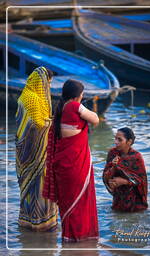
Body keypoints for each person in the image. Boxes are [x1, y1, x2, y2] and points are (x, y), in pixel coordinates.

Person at [43, 79, 99, 242]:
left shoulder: (60, 108)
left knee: (68, 203)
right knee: (79, 203)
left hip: (63, 164)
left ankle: (69, 238)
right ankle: (79, 238)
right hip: (75, 165)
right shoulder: (74, 106)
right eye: (82, 95)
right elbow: (95, 119)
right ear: (77, 96)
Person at [15, 66, 58, 231]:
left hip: (23, 152)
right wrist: (54, 122)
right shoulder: (33, 99)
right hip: (36, 152)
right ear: (43, 81)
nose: (48, 87)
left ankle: (27, 221)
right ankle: (41, 222)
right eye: (48, 83)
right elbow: (38, 124)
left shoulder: (23, 96)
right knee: (39, 186)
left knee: (28, 186)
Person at [103, 127, 148, 212]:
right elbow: (105, 177)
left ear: (129, 142)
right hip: (118, 202)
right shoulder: (112, 153)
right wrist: (113, 166)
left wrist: (124, 181)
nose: (115, 142)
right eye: (115, 138)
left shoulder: (136, 157)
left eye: (119, 140)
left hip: (136, 205)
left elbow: (142, 180)